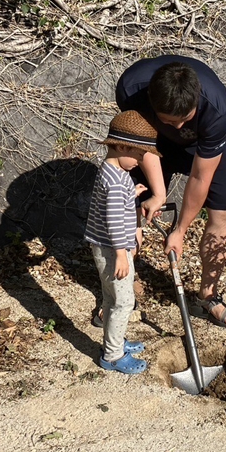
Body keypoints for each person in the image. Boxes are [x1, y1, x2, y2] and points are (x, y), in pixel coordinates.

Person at [116, 55, 226, 329]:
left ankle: (209, 295)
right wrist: (154, 195)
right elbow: (141, 147)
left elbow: (199, 176)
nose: (180, 127)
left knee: (224, 213)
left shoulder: (216, 109)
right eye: (171, 121)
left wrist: (180, 230)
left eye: (185, 119)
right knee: (127, 210)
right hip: (152, 144)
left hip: (201, 145)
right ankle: (121, 296)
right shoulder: (130, 89)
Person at [84, 110, 161, 374]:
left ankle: (114, 340)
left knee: (110, 296)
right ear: (119, 146)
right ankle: (113, 355)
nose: (140, 161)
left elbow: (114, 205)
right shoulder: (117, 183)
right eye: (138, 155)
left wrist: (133, 192)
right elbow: (114, 221)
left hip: (103, 247)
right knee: (123, 302)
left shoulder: (112, 172)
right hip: (112, 249)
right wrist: (120, 253)